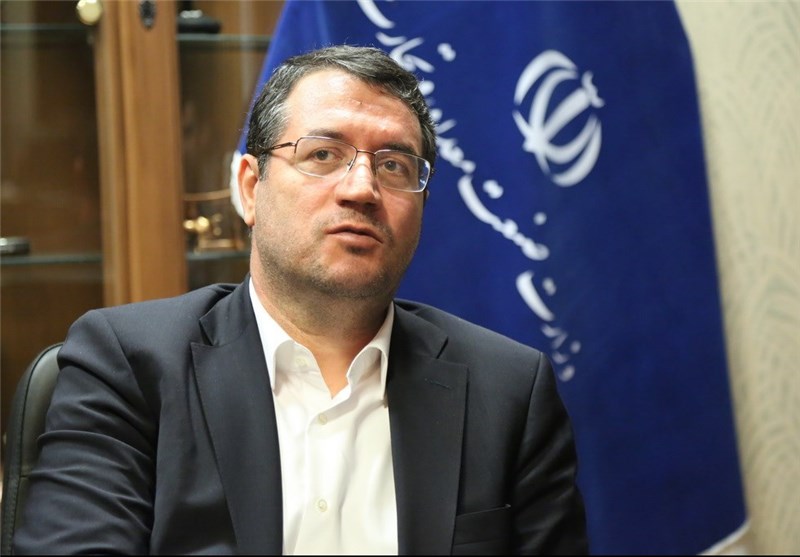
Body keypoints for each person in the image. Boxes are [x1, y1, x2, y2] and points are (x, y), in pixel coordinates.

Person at [14, 45, 588, 555]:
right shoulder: (129, 365)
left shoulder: (507, 392)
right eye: (323, 155)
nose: (361, 189)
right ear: (250, 188)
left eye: (393, 165)